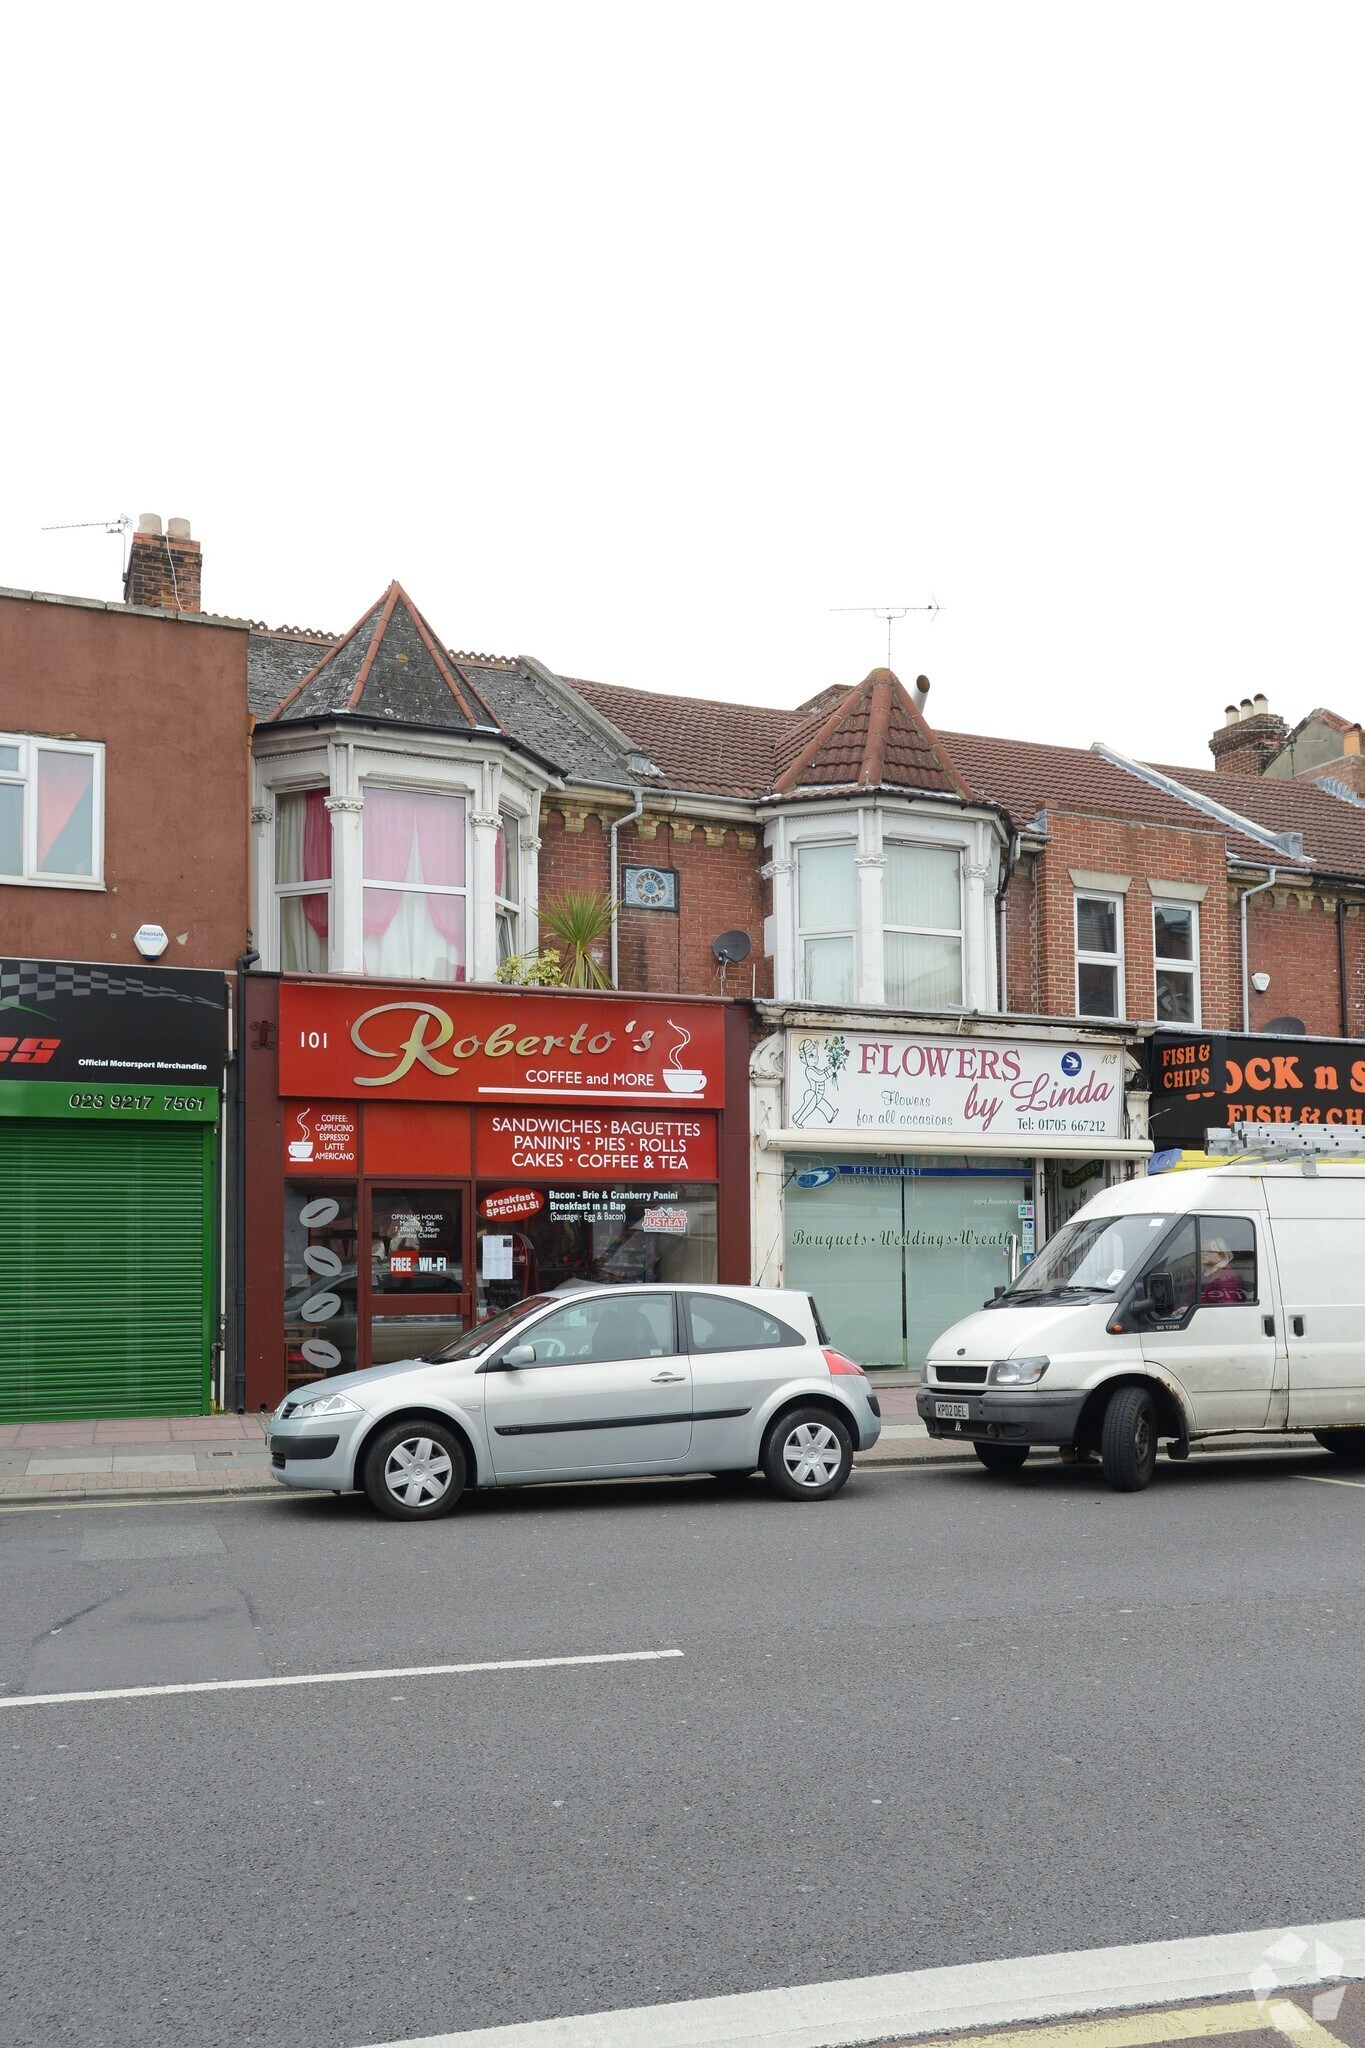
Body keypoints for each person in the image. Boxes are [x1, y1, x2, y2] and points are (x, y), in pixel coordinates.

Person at [1199, 1235, 1244, 1304]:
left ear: (1221, 1256)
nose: (1204, 1253)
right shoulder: (1200, 1274)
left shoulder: (1226, 1276)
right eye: (1202, 1250)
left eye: (1209, 1251)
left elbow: (1226, 1305)